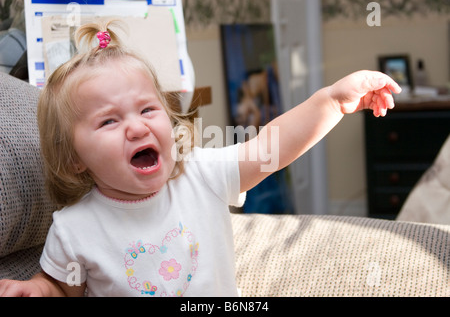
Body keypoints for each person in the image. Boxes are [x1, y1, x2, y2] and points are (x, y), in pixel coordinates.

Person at [0, 20, 401, 297]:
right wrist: (35, 289)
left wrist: (330, 101)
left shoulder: (200, 174)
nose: (137, 128)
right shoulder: (74, 229)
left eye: (147, 110)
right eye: (108, 121)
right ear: (74, 159)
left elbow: (271, 149)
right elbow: (61, 287)